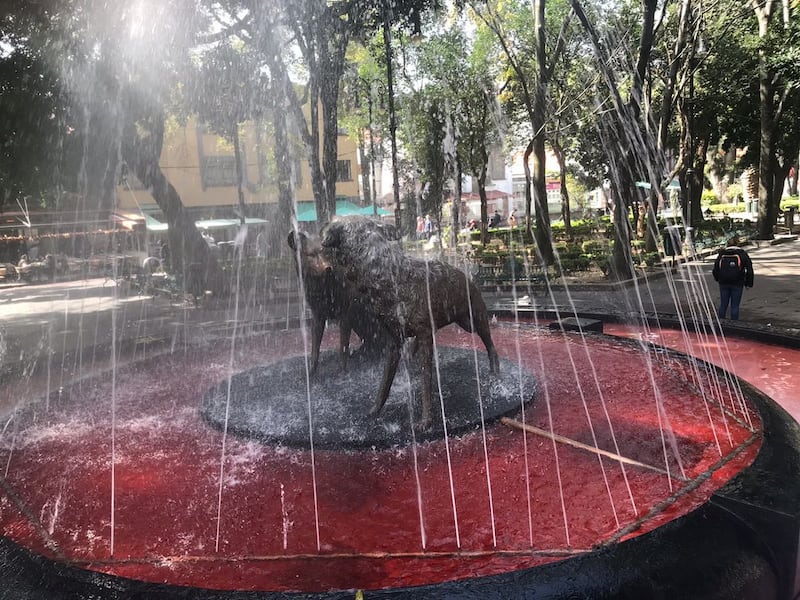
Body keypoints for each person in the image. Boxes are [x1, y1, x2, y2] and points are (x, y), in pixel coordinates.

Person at [712, 239, 754, 320]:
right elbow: (749, 270)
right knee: (735, 305)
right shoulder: (742, 254)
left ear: (727, 245)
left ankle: (721, 323)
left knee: (723, 304)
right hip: (737, 283)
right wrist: (748, 283)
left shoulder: (722, 254)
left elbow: (715, 269)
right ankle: (734, 324)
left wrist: (718, 279)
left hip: (723, 283)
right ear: (737, 244)